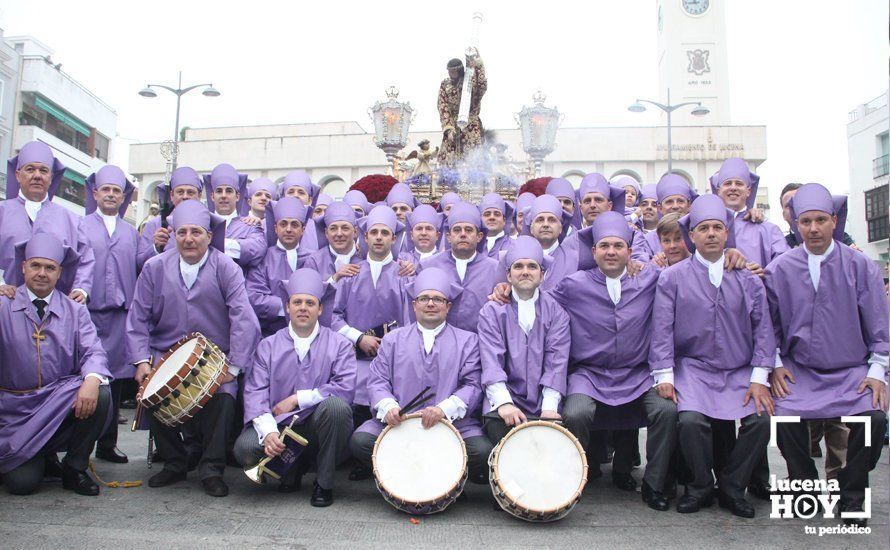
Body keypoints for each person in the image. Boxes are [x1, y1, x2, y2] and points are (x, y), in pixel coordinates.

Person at [765, 183, 888, 527]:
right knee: (785, 416)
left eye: (821, 220)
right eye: (806, 221)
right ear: (796, 225)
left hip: (851, 370)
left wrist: (878, 371)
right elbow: (768, 326)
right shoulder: (780, 268)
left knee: (874, 418)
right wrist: (774, 364)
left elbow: (879, 324)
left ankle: (851, 496)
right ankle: (803, 490)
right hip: (799, 370)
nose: (814, 228)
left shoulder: (861, 266)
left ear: (834, 221)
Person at [650, 195, 775, 518]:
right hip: (693, 368)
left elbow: (763, 329)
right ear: (692, 235)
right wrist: (664, 375)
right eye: (703, 228)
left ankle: (733, 486)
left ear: (726, 233)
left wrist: (760, 377)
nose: (710, 234)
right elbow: (662, 329)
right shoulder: (672, 278)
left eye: (717, 227)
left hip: (738, 369)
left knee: (760, 421)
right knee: (691, 421)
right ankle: (700, 485)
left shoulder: (747, 278)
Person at [128, 200, 261, 497]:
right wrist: (141, 360)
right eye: (182, 232)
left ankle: (211, 469)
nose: (189, 239)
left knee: (225, 398)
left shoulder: (226, 267)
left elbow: (243, 318)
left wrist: (234, 367)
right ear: (174, 235)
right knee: (151, 391)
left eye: (196, 232)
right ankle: (175, 463)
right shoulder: (153, 267)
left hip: (215, 358)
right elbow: (137, 317)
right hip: (165, 353)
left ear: (210, 236)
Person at [552, 212, 678, 510]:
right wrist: (504, 291)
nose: (611, 251)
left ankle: (655, 483)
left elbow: (685, 275)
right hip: (589, 373)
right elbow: (540, 302)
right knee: (577, 412)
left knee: (666, 410)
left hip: (638, 374)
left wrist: (732, 257)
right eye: (604, 246)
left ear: (629, 252)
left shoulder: (650, 278)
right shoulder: (574, 284)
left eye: (618, 246)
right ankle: (573, 479)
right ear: (593, 251)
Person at [349, 268, 492, 485]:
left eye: (437, 299)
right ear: (414, 305)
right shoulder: (392, 340)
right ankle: (412, 475)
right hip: (400, 423)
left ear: (448, 306)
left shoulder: (468, 341)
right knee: (361, 441)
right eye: (424, 298)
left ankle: (436, 478)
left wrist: (444, 409)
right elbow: (377, 381)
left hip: (452, 424)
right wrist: (389, 407)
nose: (431, 304)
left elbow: (472, 385)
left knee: (481, 452)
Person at [0, 234, 111, 496]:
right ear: (23, 267)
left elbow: (93, 351)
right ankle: (38, 457)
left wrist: (92, 380)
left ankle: (75, 467)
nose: (42, 273)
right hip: (12, 412)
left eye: (50, 268)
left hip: (55, 404)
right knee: (22, 485)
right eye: (36, 266)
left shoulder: (75, 310)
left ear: (60, 272)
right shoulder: (3, 305)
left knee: (101, 392)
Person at [235, 269, 356, 506]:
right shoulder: (267, 346)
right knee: (245, 449)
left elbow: (345, 387)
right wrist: (269, 432)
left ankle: (324, 483)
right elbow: (255, 392)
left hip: (317, 426)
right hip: (279, 425)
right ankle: (290, 467)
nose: (303, 308)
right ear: (287, 307)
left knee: (336, 408)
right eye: (297, 302)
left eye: (310, 303)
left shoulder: (339, 344)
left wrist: (298, 398)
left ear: (320, 309)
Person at [478, 236, 569, 444]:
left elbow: (557, 362)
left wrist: (549, 408)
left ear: (542, 274)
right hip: (507, 397)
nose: (525, 271)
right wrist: (504, 403)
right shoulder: (492, 311)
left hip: (543, 398)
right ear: (508, 275)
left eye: (532, 266)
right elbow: (491, 362)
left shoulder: (557, 313)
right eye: (518, 266)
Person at [331, 206, 413, 419]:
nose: (379, 238)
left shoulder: (404, 276)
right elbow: (334, 318)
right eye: (374, 233)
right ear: (365, 237)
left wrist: (388, 346)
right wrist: (359, 338)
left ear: (393, 239)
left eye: (385, 233)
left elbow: (409, 322)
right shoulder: (351, 274)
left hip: (392, 362)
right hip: (353, 362)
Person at [82, 165, 139, 464]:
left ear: (122, 197)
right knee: (87, 378)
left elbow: (144, 265)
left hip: (120, 316)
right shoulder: (80, 226)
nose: (111, 195)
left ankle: (107, 444)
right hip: (87, 315)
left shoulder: (132, 232)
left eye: (116, 191)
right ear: (95, 193)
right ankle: (80, 445)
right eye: (106, 189)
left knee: (115, 381)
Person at [0, 141, 94, 302]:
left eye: (43, 170)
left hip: (55, 310)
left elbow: (85, 258)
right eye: (30, 169)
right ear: (17, 175)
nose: (37, 175)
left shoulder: (72, 220)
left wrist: (81, 288)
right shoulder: (2, 212)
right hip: (6, 306)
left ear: (51, 177)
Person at [418, 202, 499, 333]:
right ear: (448, 237)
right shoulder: (428, 266)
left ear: (479, 237)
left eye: (468, 230)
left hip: (480, 344)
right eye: (457, 230)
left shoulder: (494, 269)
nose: (462, 234)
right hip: (439, 345)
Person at [246, 197, 312, 336]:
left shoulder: (314, 259)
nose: (288, 229)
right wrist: (294, 308)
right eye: (283, 224)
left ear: (303, 229)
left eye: (294, 225)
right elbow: (255, 297)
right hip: (270, 335)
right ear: (276, 228)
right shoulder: (263, 259)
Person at [710, 158, 789, 268]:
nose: (733, 187)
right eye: (728, 183)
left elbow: (785, 265)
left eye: (739, 183)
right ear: (718, 191)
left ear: (748, 191)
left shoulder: (768, 230)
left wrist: (764, 274)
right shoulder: (706, 228)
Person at [303, 201, 363, 327]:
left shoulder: (365, 259)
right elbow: (307, 298)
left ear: (355, 231)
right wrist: (334, 278)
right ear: (326, 233)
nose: (339, 234)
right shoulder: (314, 261)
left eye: (345, 228)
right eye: (333, 228)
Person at [136, 166, 203, 269]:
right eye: (180, 192)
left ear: (199, 196)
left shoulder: (208, 224)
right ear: (172, 195)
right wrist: (156, 248)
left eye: (190, 192)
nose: (185, 196)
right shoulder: (154, 225)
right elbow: (140, 264)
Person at [203, 163, 266, 271]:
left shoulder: (250, 224)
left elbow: (257, 249)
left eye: (228, 191)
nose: (223, 195)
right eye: (219, 191)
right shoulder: (203, 224)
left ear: (237, 196)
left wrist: (208, 242)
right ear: (212, 196)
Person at [437, 52, 487, 168]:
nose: (450, 74)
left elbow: (482, 85)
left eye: (452, 71)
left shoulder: (470, 81)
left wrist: (478, 62)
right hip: (452, 127)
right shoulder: (445, 84)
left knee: (474, 159)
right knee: (448, 162)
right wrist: (448, 128)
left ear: (459, 70)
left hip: (471, 125)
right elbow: (442, 106)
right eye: (448, 71)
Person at [279, 170, 322, 251]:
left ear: (310, 200)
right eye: (291, 192)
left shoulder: (319, 229)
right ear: (282, 197)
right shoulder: (266, 225)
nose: (296, 195)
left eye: (301, 192)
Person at [479, 193, 514, 257]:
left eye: (497, 214)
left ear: (504, 221)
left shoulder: (515, 246)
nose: (492, 217)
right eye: (487, 214)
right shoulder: (472, 246)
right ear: (480, 219)